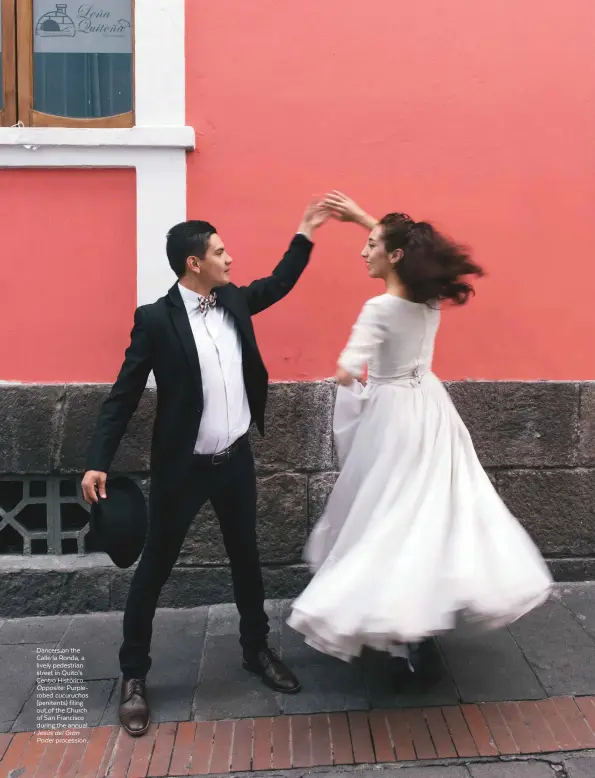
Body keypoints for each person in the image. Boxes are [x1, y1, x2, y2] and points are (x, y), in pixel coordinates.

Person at [82, 200, 329, 736]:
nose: (229, 258)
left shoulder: (234, 301)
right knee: (155, 568)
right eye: (219, 252)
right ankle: (133, 676)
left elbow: (280, 282)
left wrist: (305, 232)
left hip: (234, 460)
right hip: (182, 469)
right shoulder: (155, 320)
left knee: (247, 559)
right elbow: (123, 395)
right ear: (194, 263)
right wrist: (97, 461)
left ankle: (255, 650)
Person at [287, 191, 553, 682]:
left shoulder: (379, 308)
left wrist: (352, 391)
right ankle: (418, 622)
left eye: (370, 246)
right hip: (431, 410)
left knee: (390, 513)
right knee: (433, 509)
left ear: (393, 256)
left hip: (392, 417)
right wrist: (369, 223)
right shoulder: (428, 301)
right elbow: (404, 257)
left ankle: (398, 622)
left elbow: (348, 368)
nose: (361, 252)